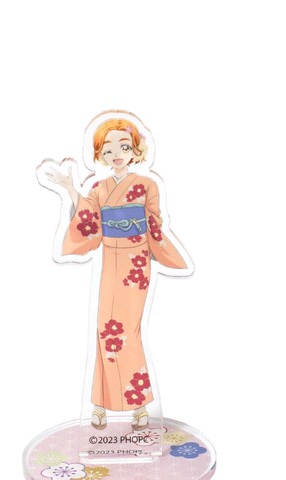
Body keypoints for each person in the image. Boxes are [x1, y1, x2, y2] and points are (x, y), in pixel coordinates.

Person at [41, 114, 190, 431]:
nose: (116, 155)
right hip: (110, 260)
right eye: (107, 151)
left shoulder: (148, 185)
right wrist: (70, 189)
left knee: (128, 332)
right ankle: (100, 405)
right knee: (105, 331)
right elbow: (89, 221)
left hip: (136, 264)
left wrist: (159, 249)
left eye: (124, 147)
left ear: (136, 149)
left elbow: (155, 225)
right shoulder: (98, 188)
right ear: (100, 155)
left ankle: (138, 405)